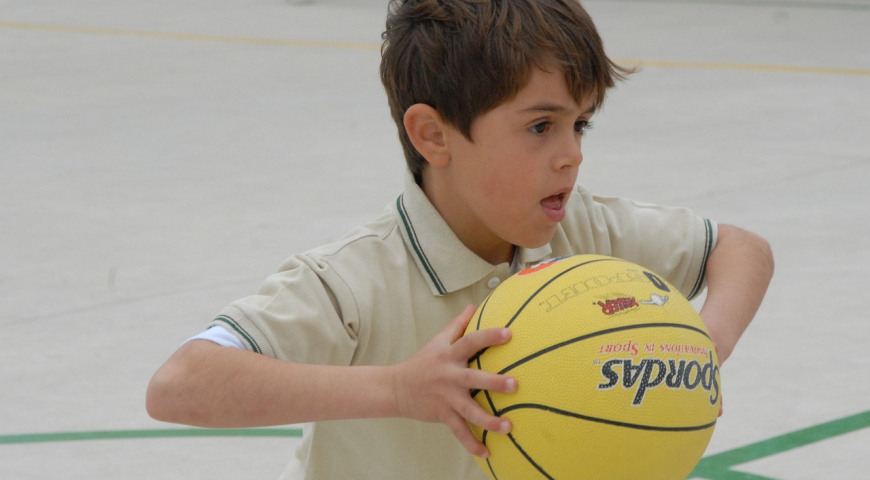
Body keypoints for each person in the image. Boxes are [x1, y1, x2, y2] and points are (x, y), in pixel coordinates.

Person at [146, 0, 774, 479]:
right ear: (434, 136)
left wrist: (703, 346)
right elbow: (179, 384)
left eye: (580, 124)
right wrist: (397, 389)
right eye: (540, 126)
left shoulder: (582, 234)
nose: (572, 156)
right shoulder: (354, 279)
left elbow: (741, 248)